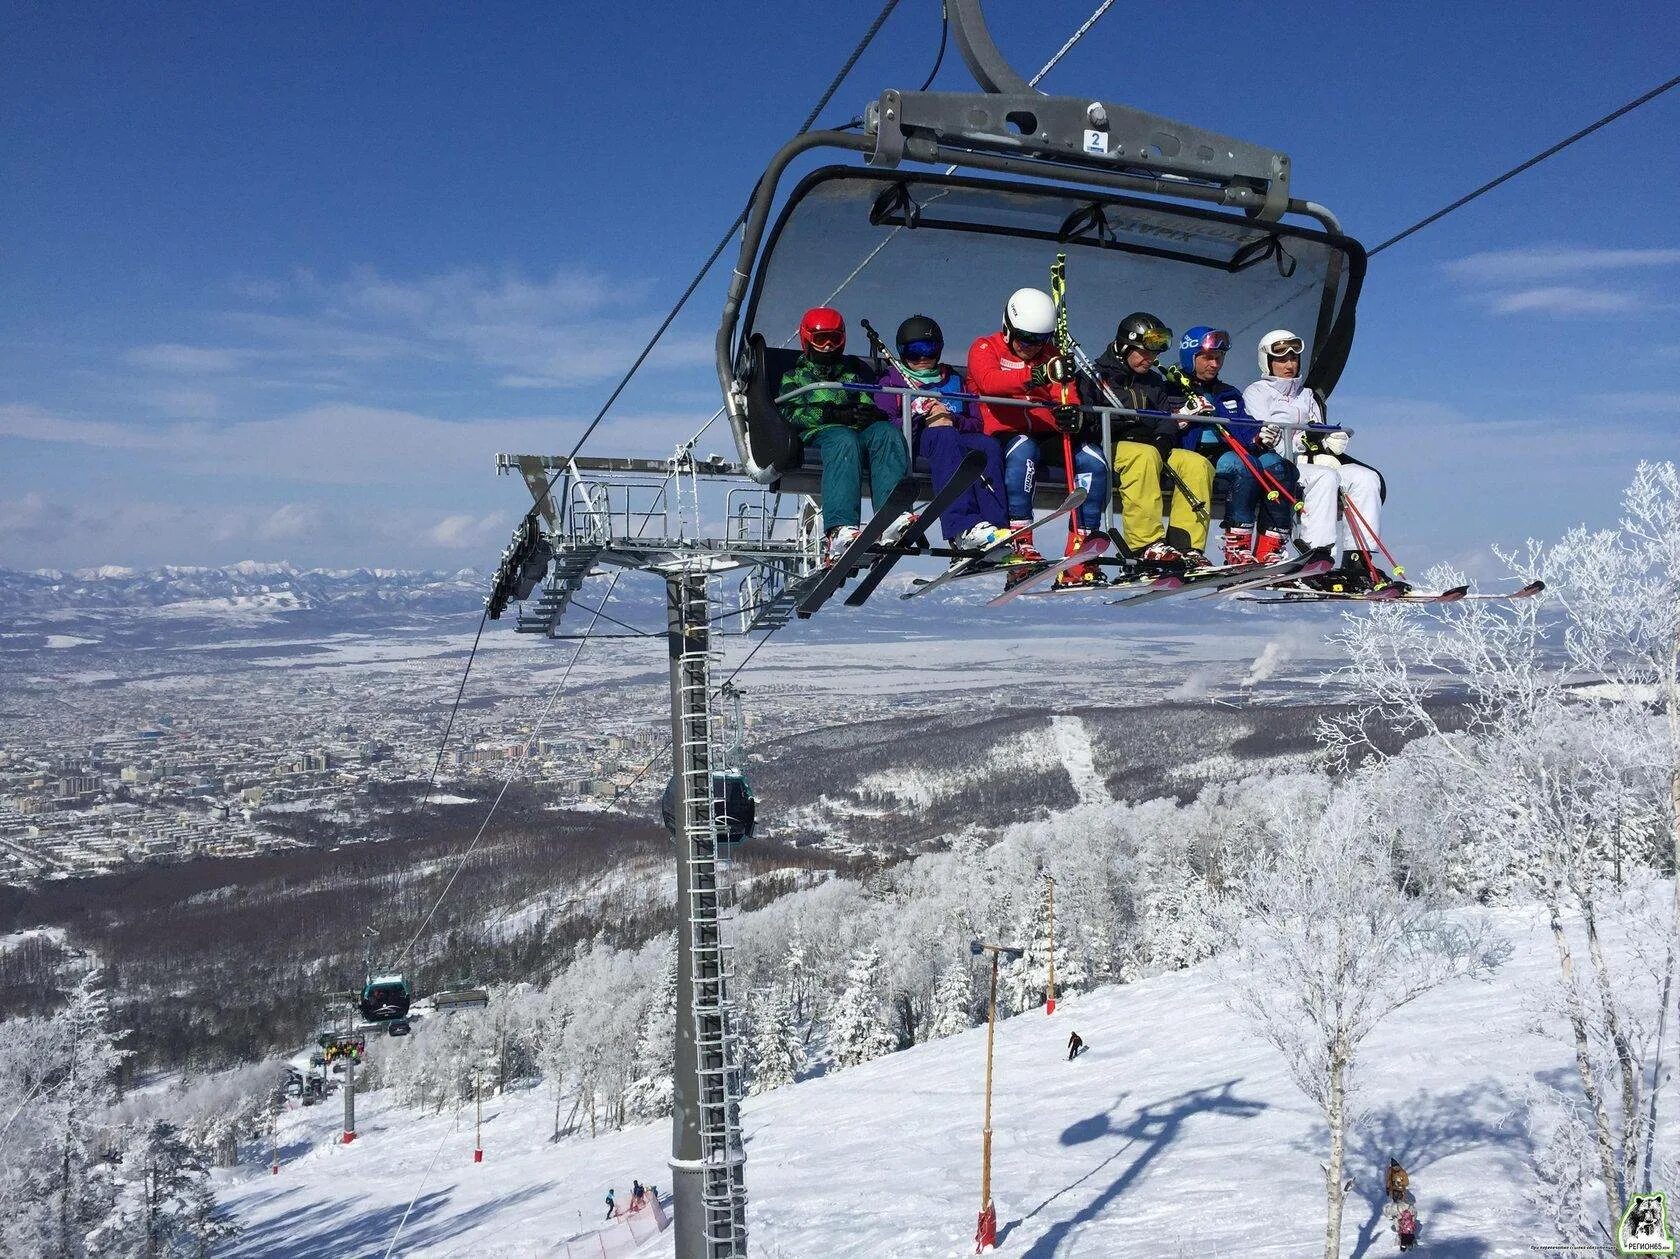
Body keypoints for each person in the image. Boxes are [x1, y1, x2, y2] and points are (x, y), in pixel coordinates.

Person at [967, 287, 1112, 587]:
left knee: (1094, 461)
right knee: (1023, 451)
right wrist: (1037, 377)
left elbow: (1068, 396)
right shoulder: (985, 347)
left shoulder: (1053, 357)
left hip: (1046, 434)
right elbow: (990, 383)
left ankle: (1080, 549)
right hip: (1005, 435)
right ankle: (1022, 542)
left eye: (1040, 340)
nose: (1031, 347)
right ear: (1008, 327)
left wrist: (1071, 414)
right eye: (1024, 338)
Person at [1242, 330, 1406, 593]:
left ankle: (1359, 560)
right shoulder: (1256, 393)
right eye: (1281, 359)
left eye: (1294, 358)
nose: (1289, 365)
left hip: (1310, 461)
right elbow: (1261, 433)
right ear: (1267, 362)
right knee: (1324, 477)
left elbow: (1315, 430)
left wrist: (1328, 442)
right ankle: (1316, 554)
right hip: (1279, 463)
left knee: (1365, 477)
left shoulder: (1307, 395)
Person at [870, 315, 1014, 562]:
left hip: (956, 435)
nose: (923, 358)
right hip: (919, 440)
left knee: (986, 445)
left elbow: (976, 423)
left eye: (930, 350)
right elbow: (885, 422)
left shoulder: (954, 380)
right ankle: (961, 528)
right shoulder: (892, 380)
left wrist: (951, 417)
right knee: (944, 436)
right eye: (915, 352)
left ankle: (995, 528)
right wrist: (917, 412)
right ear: (903, 353)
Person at [777, 306, 913, 565]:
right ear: (807, 340)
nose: (828, 346)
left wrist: (870, 415)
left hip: (852, 430)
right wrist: (829, 415)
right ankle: (840, 528)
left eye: (834, 339)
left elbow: (864, 402)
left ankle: (891, 517)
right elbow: (789, 414)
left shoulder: (850, 374)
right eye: (820, 339)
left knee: (887, 433)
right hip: (820, 432)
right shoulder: (794, 377)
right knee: (843, 440)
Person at [1091, 313, 1215, 569]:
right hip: (1112, 447)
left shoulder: (1153, 382)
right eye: (1145, 353)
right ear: (1126, 347)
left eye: (1155, 354)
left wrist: (1162, 438)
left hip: (1149, 445)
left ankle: (1186, 545)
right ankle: (1146, 544)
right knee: (1143, 455)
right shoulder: (1097, 377)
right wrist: (1126, 430)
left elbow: (1165, 420)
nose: (1152, 360)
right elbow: (1088, 421)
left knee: (1195, 463)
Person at [1169, 326, 1298, 567]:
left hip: (1224, 452)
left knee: (1280, 467)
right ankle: (1236, 547)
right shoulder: (1171, 389)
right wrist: (1181, 417)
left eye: (1219, 358)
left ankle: (1270, 548)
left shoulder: (1227, 393)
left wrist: (1259, 435)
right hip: (1189, 452)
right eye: (1207, 358)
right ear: (1191, 356)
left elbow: (1243, 426)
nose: (1214, 364)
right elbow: (1157, 423)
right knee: (1245, 466)